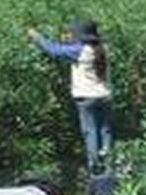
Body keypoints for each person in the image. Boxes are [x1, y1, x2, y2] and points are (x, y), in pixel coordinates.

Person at [27, 20, 113, 175]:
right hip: (104, 96)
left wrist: (36, 36)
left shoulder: (79, 50)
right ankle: (108, 166)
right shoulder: (102, 48)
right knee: (104, 131)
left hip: (86, 98)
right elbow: (72, 53)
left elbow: (53, 50)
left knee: (90, 132)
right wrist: (68, 41)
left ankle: (95, 170)